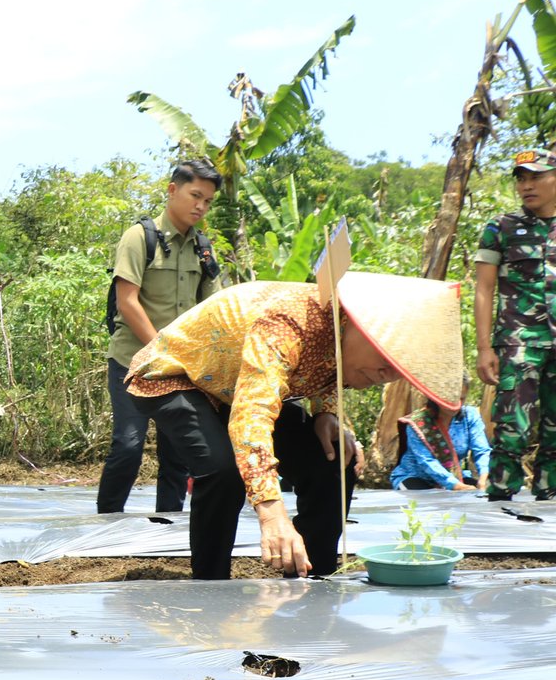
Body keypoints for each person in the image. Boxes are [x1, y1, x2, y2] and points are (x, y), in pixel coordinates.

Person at [125, 273, 463, 579]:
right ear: (357, 324)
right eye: (385, 359)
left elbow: (326, 369)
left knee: (333, 459)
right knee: (223, 470)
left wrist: (326, 414)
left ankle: (312, 578)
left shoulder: (341, 333)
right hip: (178, 377)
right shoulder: (286, 324)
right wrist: (272, 514)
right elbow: (252, 413)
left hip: (232, 387)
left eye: (398, 369)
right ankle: (211, 586)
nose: (387, 374)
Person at [97, 159, 223, 514]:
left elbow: (211, 309)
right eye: (195, 195)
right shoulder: (140, 237)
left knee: (178, 453)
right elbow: (128, 301)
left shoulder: (203, 247)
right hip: (132, 361)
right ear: (172, 190)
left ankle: (167, 530)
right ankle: (104, 525)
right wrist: (161, 349)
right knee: (127, 445)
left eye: (208, 201)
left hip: (178, 369)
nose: (201, 205)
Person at [475, 148, 556, 500]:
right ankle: (499, 500)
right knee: (512, 428)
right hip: (519, 340)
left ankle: (550, 497)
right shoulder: (501, 227)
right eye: (521, 179)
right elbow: (484, 288)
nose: (527, 185)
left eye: (535, 177)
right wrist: (483, 348)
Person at [390, 378, 490, 491]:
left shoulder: (470, 416)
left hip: (454, 476)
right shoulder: (418, 424)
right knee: (424, 503)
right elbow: (427, 461)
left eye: (462, 398)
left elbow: (482, 451)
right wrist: (456, 486)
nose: (457, 404)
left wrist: (483, 478)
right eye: (453, 399)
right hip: (415, 477)